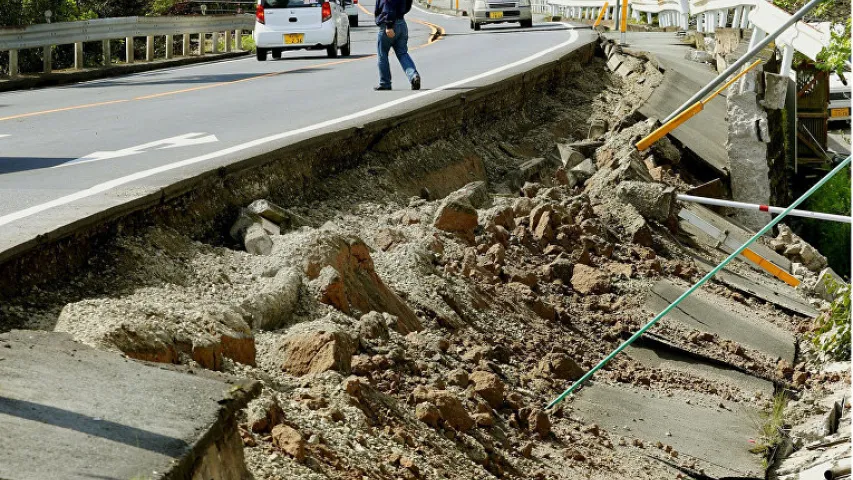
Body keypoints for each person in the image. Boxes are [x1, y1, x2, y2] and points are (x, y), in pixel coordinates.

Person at [374, 0, 421, 91]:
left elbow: (388, 5)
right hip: (401, 22)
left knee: (382, 54)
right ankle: (413, 76)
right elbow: (407, 4)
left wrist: (389, 25)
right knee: (402, 53)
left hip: (388, 25)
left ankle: (385, 83)